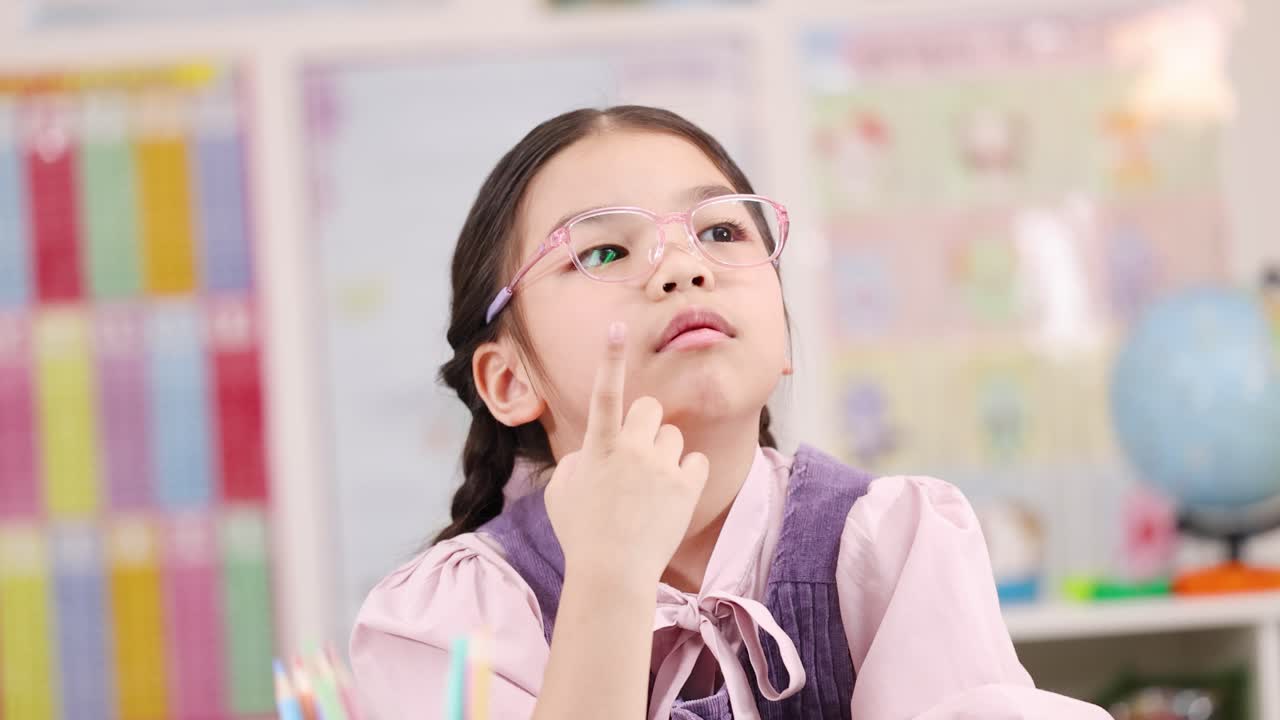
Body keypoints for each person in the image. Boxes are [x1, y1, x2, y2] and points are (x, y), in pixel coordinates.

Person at [350, 105, 1109, 719]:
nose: (685, 267)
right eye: (606, 252)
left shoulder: (890, 544)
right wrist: (608, 580)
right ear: (509, 378)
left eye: (720, 231)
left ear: (781, 335)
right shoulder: (447, 619)